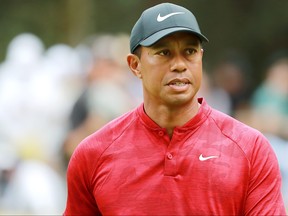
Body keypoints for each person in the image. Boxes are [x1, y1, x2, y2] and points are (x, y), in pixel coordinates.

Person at [64, 3, 286, 215]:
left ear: (200, 58)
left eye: (189, 51)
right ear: (135, 65)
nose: (180, 64)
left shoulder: (250, 149)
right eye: (164, 53)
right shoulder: (93, 154)